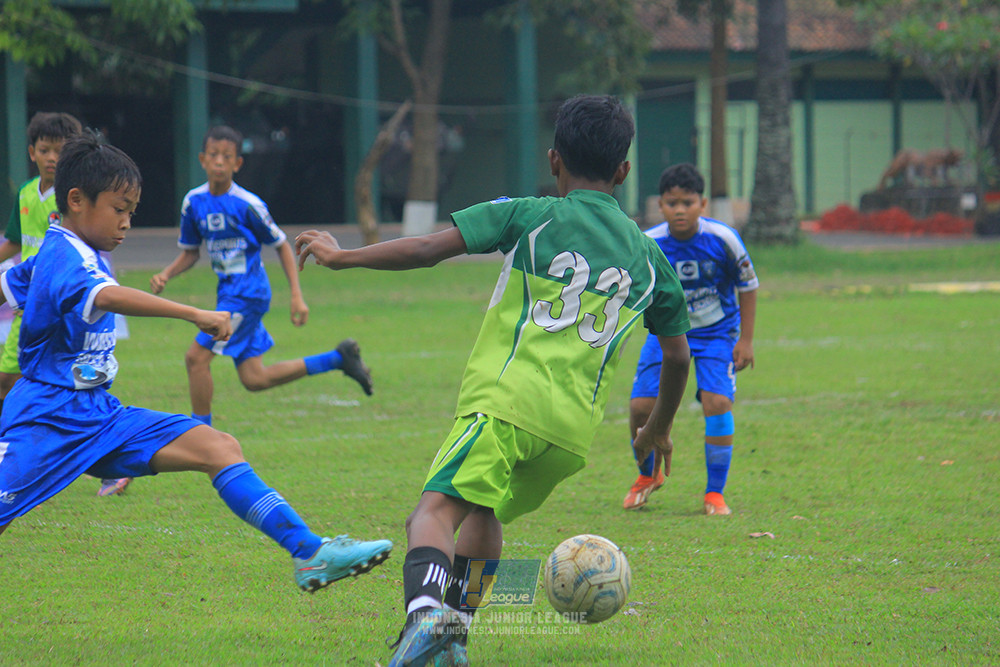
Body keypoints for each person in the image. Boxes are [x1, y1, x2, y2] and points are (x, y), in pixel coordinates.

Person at [296, 94, 692, 666]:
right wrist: (656, 428)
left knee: (430, 516)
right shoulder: (651, 260)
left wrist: (344, 257)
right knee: (484, 515)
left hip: (505, 405)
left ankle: (428, 616)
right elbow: (678, 357)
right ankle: (454, 638)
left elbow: (429, 248)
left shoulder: (530, 214)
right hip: (569, 434)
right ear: (625, 172)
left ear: (555, 161)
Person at [0, 132, 393, 591]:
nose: (127, 223)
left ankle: (310, 553)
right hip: (47, 417)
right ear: (77, 200)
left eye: (132, 211)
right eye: (119, 209)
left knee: (218, 447)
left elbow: (11, 286)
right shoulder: (68, 255)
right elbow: (106, 295)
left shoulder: (70, 249)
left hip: (98, 414)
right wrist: (193, 312)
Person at [150, 125, 373, 426]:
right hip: (228, 293)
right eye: (213, 155)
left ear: (237, 164)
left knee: (196, 359)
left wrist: (296, 295)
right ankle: (338, 358)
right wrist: (166, 274)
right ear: (202, 159)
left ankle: (201, 434)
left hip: (247, 294)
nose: (219, 161)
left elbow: (281, 244)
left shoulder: (248, 204)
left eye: (226, 156)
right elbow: (191, 252)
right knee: (255, 379)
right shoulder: (193, 203)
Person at [0, 112, 129, 498]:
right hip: (28, 304)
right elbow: (15, 243)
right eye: (45, 150)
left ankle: (109, 463)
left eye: (60, 150)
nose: (52, 157)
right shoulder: (25, 194)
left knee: (73, 396)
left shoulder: (80, 197)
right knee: (9, 382)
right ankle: (16, 465)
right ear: (32, 153)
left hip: (70, 307)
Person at [622, 162, 758, 515]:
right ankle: (647, 475)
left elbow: (749, 285)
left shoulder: (723, 239)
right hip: (666, 332)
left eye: (687, 202)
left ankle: (714, 493)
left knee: (716, 403)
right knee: (639, 407)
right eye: (671, 203)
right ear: (661, 206)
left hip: (716, 333)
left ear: (703, 204)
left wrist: (745, 340)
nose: (679, 210)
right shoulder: (649, 243)